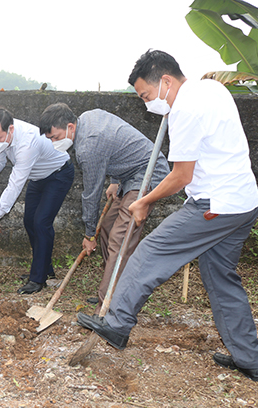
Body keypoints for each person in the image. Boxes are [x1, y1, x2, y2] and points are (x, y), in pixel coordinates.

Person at [77, 50, 258, 383]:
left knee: (149, 253)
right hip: (243, 203)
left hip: (215, 205)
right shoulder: (211, 89)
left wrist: (144, 201)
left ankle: (118, 324)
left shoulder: (186, 110)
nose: (147, 103)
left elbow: (181, 176)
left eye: (146, 95)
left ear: (165, 81)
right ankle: (249, 359)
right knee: (221, 279)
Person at [39, 103, 170, 313]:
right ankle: (115, 289)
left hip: (148, 173)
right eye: (50, 139)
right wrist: (115, 180)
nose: (54, 143)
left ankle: (107, 307)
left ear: (71, 126)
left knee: (120, 238)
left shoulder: (88, 147)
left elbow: (91, 194)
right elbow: (118, 143)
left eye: (56, 137)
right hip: (128, 175)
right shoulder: (88, 116)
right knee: (108, 228)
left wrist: (89, 234)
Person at [0, 107, 74, 295]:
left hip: (59, 174)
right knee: (30, 221)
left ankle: (38, 279)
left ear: (10, 129)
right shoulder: (0, 133)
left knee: (41, 222)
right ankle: (45, 268)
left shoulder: (27, 143)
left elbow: (15, 185)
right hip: (38, 177)